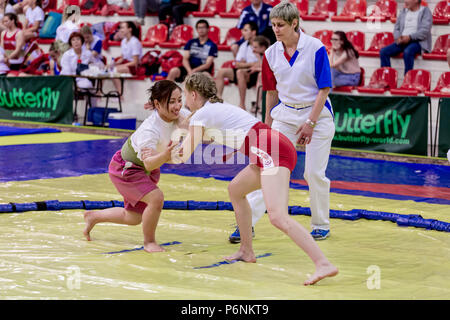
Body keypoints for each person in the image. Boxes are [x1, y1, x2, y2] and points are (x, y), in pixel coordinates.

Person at [173, 72, 338, 286]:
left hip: (269, 149)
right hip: (268, 145)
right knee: (236, 190)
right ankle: (246, 250)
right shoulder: (213, 110)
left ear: (193, 95)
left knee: (278, 216)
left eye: (184, 96)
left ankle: (323, 263)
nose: (184, 101)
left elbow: (184, 154)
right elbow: (188, 126)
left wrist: (163, 154)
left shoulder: (202, 115)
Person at [229, 1, 335, 243]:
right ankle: (247, 223)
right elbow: (270, 92)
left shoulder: (315, 47)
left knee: (313, 173)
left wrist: (310, 122)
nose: (276, 30)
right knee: (268, 169)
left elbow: (324, 89)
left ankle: (320, 224)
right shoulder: (270, 53)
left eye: (281, 25)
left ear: (294, 23)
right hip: (285, 115)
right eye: (273, 25)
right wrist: (265, 128)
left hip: (317, 114)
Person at [83, 80, 190, 253]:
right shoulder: (149, 130)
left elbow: (198, 120)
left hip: (146, 168)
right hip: (127, 169)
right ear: (157, 104)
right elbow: (149, 162)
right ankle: (149, 242)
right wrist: (166, 156)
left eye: (179, 100)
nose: (178, 106)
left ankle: (93, 216)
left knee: (133, 217)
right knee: (156, 198)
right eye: (172, 101)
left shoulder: (180, 113)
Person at [379, 0, 432, 74]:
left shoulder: (425, 11)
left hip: (417, 42)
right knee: (383, 52)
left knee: (407, 51)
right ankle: (387, 77)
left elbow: (424, 31)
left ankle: (407, 80)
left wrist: (410, 37)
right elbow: (396, 28)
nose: (405, 1)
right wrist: (398, 38)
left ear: (416, 1)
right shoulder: (403, 12)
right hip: (402, 40)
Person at [215, 21, 259, 109]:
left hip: (256, 73)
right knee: (221, 71)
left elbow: (260, 64)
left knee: (240, 72)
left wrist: (245, 64)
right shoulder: (244, 45)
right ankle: (218, 99)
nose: (243, 32)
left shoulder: (261, 43)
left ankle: (242, 104)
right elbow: (237, 64)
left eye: (246, 30)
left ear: (253, 32)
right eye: (243, 30)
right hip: (246, 71)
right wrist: (250, 64)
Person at [108, 21, 142, 94]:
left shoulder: (135, 42)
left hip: (134, 67)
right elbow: (122, 58)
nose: (120, 30)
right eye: (120, 28)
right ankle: (118, 93)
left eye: (122, 28)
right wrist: (114, 63)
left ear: (130, 29)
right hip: (126, 64)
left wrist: (122, 65)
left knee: (113, 70)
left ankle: (120, 94)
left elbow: (135, 62)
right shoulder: (123, 41)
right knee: (110, 68)